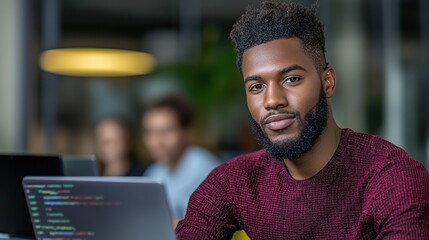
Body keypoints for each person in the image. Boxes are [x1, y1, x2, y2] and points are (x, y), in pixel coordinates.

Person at [176, 1, 429, 239]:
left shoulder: (393, 177)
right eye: (256, 87)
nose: (272, 100)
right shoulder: (234, 183)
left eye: (291, 79)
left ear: (327, 82)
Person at [141, 93, 220, 224]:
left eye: (166, 131)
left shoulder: (206, 169)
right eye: (150, 132)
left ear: (186, 132)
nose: (156, 141)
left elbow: (212, 226)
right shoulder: (153, 172)